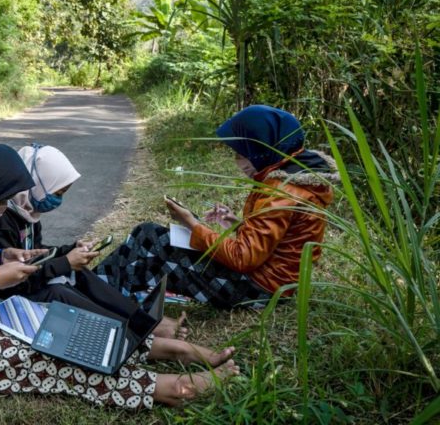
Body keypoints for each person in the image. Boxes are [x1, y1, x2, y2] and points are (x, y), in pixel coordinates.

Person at [0, 141, 239, 410]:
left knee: (59, 325)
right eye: (0, 202)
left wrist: (0, 256)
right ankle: (167, 388)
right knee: (46, 356)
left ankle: (161, 348)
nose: (4, 211)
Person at [95, 105, 340, 309]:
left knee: (150, 240)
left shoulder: (282, 191)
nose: (238, 162)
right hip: (270, 280)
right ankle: (104, 292)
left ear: (261, 149)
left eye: (241, 154)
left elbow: (243, 259)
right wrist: (236, 224)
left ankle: (92, 291)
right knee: (147, 235)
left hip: (259, 290)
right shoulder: (293, 174)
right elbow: (278, 241)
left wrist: (192, 224)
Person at [0, 143, 187, 339]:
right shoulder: (3, 220)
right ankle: (133, 337)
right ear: (37, 184)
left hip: (28, 280)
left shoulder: (27, 212)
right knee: (59, 292)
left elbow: (37, 251)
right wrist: (64, 263)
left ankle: (144, 323)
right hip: (10, 295)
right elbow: (14, 283)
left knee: (79, 273)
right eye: (57, 193)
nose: (58, 200)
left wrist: (69, 250)